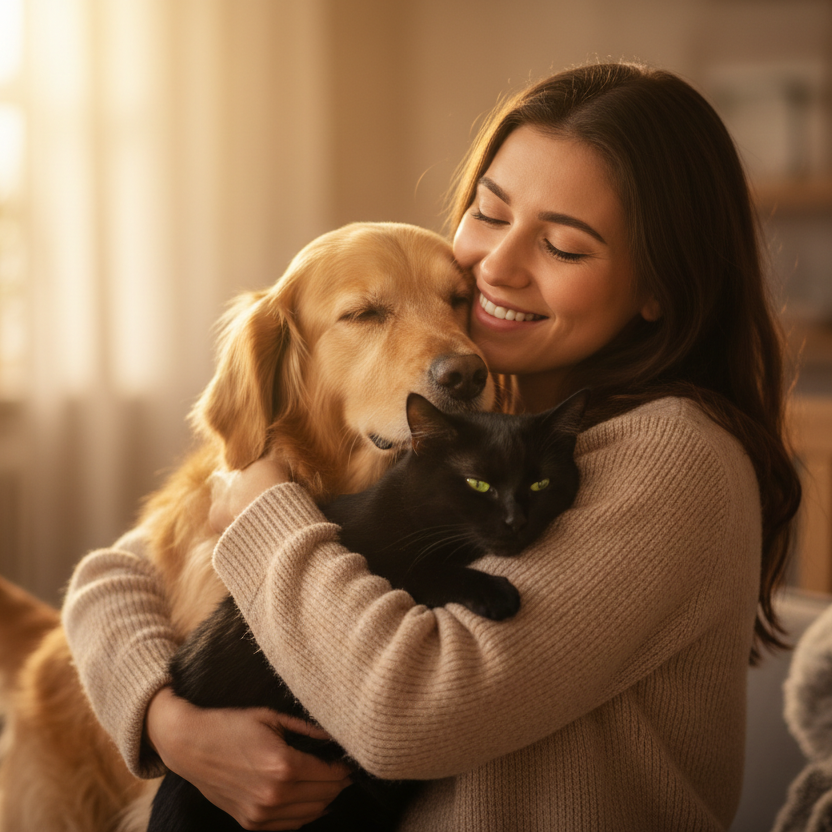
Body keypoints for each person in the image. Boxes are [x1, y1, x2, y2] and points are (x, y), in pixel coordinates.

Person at [62, 61, 801, 831]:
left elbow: (406, 716)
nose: (496, 268)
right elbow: (111, 577)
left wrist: (265, 513)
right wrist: (171, 728)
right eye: (490, 212)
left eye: (562, 247)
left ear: (660, 288)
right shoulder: (469, 430)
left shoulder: (671, 457)